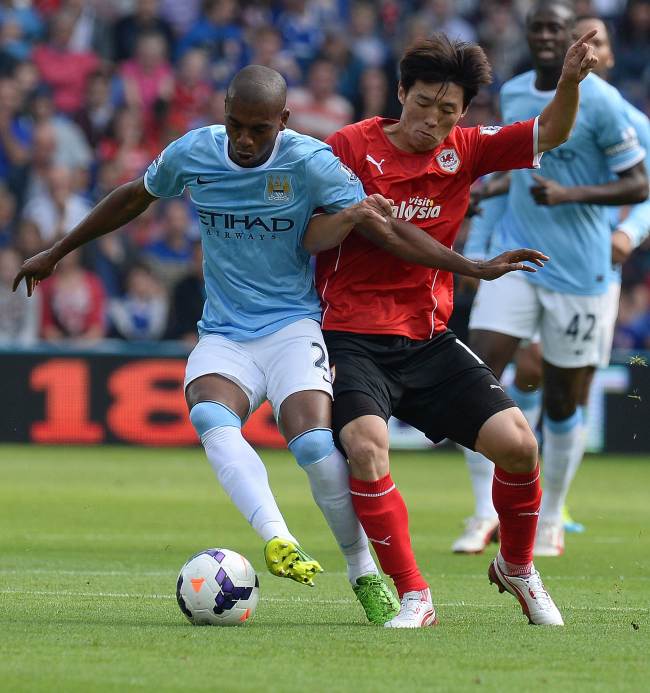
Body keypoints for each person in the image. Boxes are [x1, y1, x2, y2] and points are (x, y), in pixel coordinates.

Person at [16, 64, 533, 625]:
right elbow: (132, 197)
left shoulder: (310, 161)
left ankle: (363, 572)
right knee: (211, 417)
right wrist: (57, 251)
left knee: (314, 446)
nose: (243, 139)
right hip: (225, 333)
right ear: (223, 113)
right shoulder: (194, 152)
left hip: (294, 327)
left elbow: (382, 229)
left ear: (282, 123)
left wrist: (467, 267)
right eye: (235, 125)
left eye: (258, 130)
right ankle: (278, 536)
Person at [314, 24, 601, 628]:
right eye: (423, 104)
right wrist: (471, 266)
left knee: (520, 447)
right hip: (350, 335)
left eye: (448, 111)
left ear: (464, 113)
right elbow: (383, 231)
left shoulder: (466, 149)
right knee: (366, 448)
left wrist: (570, 84)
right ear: (400, 94)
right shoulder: (349, 146)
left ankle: (518, 567)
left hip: (427, 338)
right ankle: (416, 596)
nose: (433, 121)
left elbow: (550, 131)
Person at [456, 12, 650, 556]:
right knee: (476, 380)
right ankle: (480, 514)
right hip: (518, 260)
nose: (545, 36)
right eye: (536, 27)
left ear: (575, 41)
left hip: (581, 272)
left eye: (556, 29)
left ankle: (550, 520)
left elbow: (639, 183)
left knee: (564, 402)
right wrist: (483, 194)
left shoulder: (608, 104)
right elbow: (518, 169)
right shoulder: (515, 92)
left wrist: (570, 196)